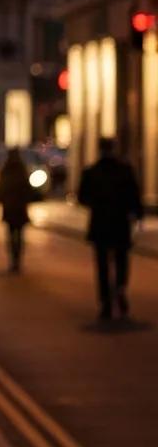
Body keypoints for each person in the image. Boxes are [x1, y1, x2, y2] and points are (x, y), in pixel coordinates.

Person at [78, 137, 144, 320]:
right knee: (121, 260)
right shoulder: (124, 171)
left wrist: (97, 204)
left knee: (102, 266)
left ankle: (106, 302)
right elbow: (134, 196)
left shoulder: (91, 172)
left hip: (100, 225)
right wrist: (137, 215)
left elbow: (82, 198)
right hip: (120, 224)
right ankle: (120, 288)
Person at [0, 148, 33, 272]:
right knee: (19, 235)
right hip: (19, 210)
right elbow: (28, 191)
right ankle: (17, 260)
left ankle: (14, 260)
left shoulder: (6, 171)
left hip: (10, 209)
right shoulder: (21, 171)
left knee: (11, 235)